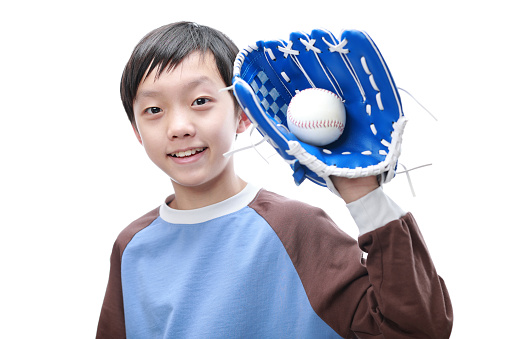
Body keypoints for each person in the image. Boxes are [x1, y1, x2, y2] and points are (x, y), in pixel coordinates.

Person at [97, 21, 453, 338]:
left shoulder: (297, 229)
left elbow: (418, 329)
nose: (179, 128)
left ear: (243, 115)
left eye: (201, 100)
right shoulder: (131, 248)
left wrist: (365, 197)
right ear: (137, 131)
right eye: (154, 110)